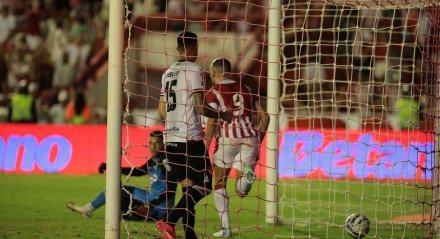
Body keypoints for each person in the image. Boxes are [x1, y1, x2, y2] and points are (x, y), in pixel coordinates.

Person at [155, 31, 232, 239]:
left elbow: (161, 110)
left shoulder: (167, 73)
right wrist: (222, 114)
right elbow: (199, 107)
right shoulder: (195, 69)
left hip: (170, 139)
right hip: (190, 138)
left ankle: (189, 233)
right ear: (193, 48)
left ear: (178, 48)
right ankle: (169, 221)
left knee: (189, 187)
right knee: (205, 185)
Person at [204, 58, 270, 238]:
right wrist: (258, 140)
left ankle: (226, 229)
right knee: (241, 191)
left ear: (214, 73)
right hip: (250, 139)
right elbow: (265, 117)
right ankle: (248, 173)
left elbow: (211, 122)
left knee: (219, 182)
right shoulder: (247, 88)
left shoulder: (213, 92)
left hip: (227, 139)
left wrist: (205, 146)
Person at [66, 130, 176, 221]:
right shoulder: (153, 161)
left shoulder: (167, 162)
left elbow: (170, 191)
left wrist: (150, 205)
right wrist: (112, 167)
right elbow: (137, 172)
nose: (153, 146)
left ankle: (136, 214)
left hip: (161, 208)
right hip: (150, 197)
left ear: (163, 144)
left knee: (123, 205)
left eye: (157, 143)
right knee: (115, 189)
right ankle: (88, 209)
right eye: (150, 143)